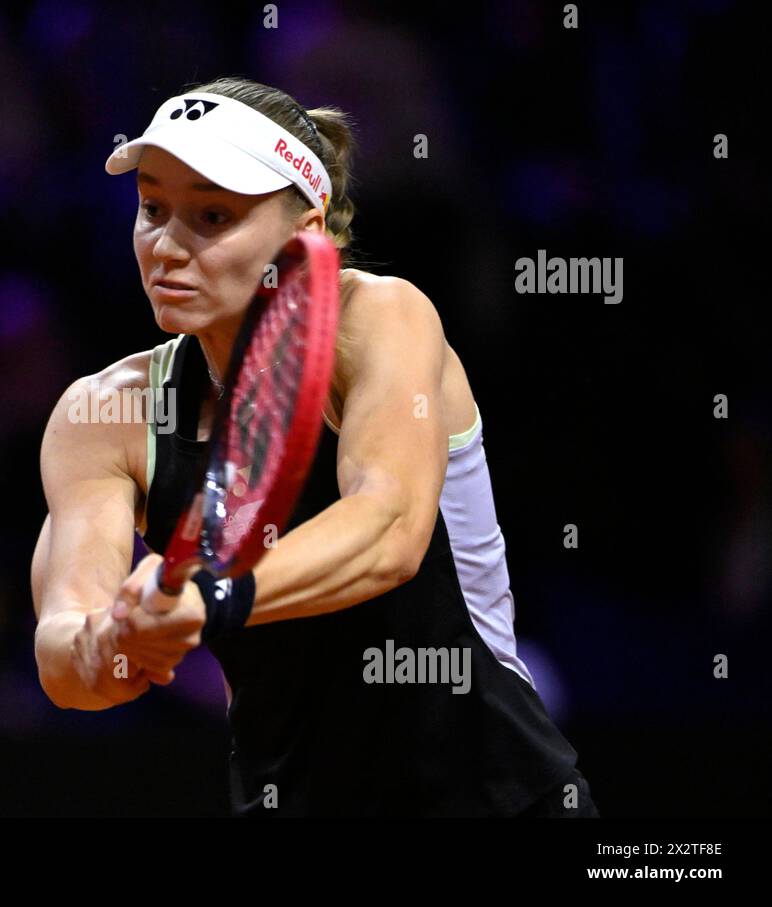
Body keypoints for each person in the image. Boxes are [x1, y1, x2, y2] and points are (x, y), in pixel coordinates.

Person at [31, 76, 597, 817]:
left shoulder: (382, 318)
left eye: (211, 214)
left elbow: (387, 530)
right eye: (152, 207)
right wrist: (109, 646)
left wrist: (208, 597)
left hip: (495, 794)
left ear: (306, 229)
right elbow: (63, 645)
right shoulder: (104, 411)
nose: (166, 244)